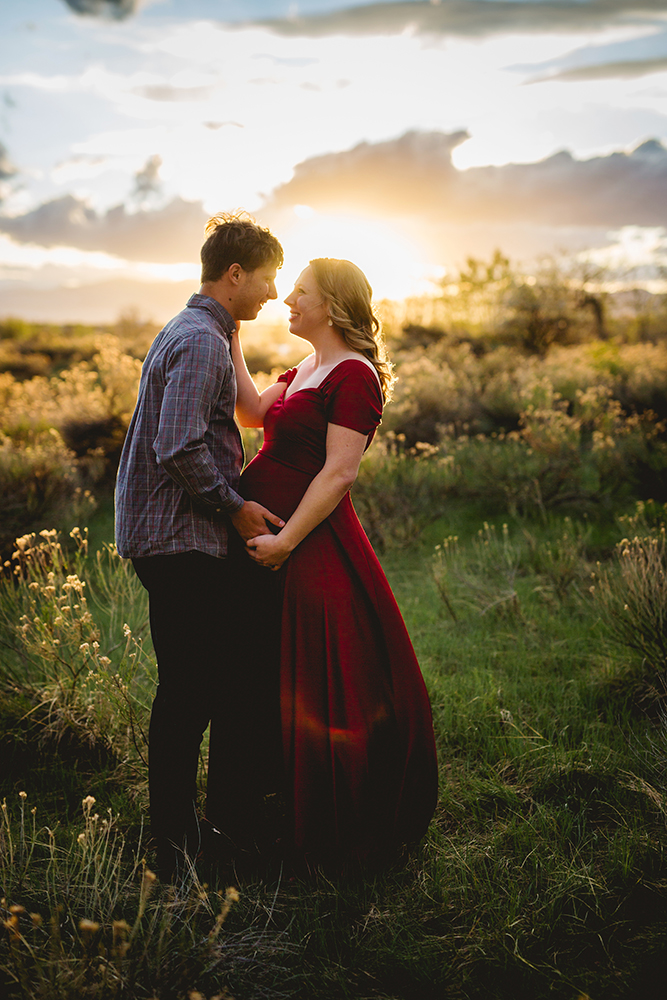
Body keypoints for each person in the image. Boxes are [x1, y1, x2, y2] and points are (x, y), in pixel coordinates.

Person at [226, 257, 438, 869]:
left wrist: (287, 541)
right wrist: (232, 328)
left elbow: (340, 471)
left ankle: (333, 813)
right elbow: (249, 413)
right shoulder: (304, 368)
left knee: (321, 673)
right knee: (271, 673)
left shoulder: (355, 375)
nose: (287, 301)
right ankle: (272, 800)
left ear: (334, 306)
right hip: (270, 541)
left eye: (300, 293)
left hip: (310, 545)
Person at [114, 212, 285, 879]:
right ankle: (177, 850)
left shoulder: (205, 332)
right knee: (187, 694)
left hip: (175, 538)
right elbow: (179, 446)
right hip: (178, 540)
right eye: (266, 279)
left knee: (195, 688)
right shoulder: (199, 340)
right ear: (235, 274)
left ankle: (187, 834)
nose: (271, 294)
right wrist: (237, 508)